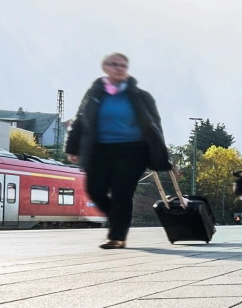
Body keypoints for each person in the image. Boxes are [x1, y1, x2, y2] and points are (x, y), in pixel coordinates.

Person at [65, 52, 172, 249]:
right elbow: (80, 120)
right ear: (105, 67)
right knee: (94, 189)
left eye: (123, 65)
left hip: (133, 151)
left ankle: (117, 236)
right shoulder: (94, 94)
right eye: (114, 64)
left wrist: (161, 153)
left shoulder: (140, 96)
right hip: (100, 150)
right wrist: (72, 147)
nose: (119, 68)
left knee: (122, 193)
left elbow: (155, 126)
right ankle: (117, 219)